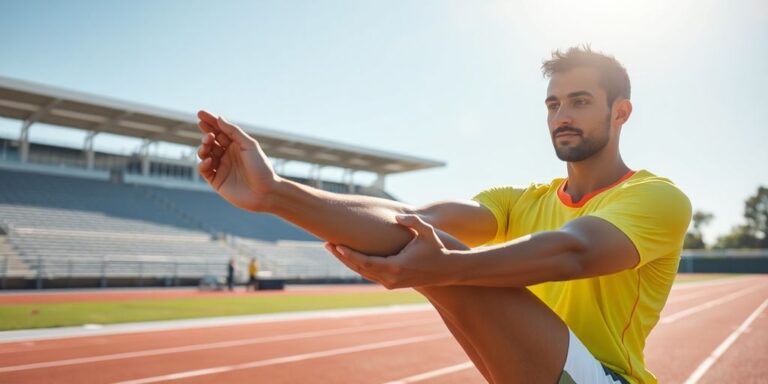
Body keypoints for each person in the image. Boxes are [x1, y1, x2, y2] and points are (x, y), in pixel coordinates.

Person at [195, 46, 691, 384]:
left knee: (440, 255)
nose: (561, 116)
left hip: (605, 378)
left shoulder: (657, 198)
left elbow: (573, 252)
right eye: (553, 103)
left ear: (620, 112)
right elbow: (408, 219)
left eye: (580, 102)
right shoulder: (520, 200)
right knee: (422, 235)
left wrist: (444, 268)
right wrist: (276, 194)